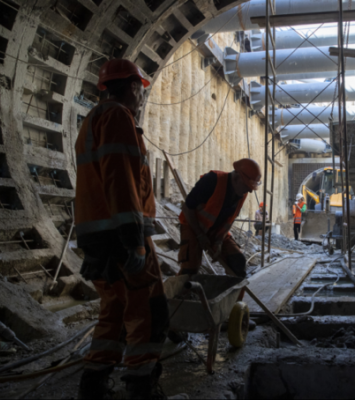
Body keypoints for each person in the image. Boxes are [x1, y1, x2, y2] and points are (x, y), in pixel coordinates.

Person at [75, 59, 176, 399]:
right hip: (121, 233)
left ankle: (93, 384)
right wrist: (134, 241)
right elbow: (121, 180)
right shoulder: (119, 117)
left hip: (95, 234)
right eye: (139, 90)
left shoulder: (92, 119)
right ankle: (141, 386)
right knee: (148, 309)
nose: (140, 96)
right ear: (133, 87)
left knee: (113, 310)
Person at [178, 159, 261, 278]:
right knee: (190, 269)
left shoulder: (242, 193)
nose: (250, 191)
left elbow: (228, 222)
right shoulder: (212, 180)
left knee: (238, 262)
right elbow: (187, 208)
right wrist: (200, 235)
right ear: (238, 177)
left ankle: (233, 295)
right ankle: (181, 294)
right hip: (193, 226)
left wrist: (219, 242)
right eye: (247, 186)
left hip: (216, 232)